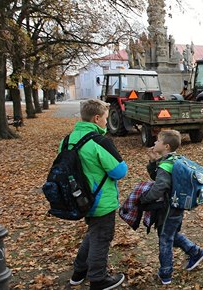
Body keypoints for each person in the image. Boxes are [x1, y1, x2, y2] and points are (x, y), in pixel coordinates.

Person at [67, 99, 128, 289]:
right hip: (100, 199)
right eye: (104, 118)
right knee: (101, 238)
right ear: (96, 118)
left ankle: (79, 272)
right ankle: (98, 279)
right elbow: (120, 171)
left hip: (79, 198)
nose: (105, 122)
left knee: (93, 233)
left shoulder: (68, 139)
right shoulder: (99, 141)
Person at [139, 130, 203, 285]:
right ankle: (196, 252)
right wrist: (153, 161)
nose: (154, 143)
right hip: (175, 206)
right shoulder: (172, 159)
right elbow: (158, 177)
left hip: (168, 208)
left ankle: (166, 273)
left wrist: (144, 198)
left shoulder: (166, 165)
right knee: (170, 234)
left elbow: (159, 187)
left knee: (165, 239)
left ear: (166, 146)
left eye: (157, 141)